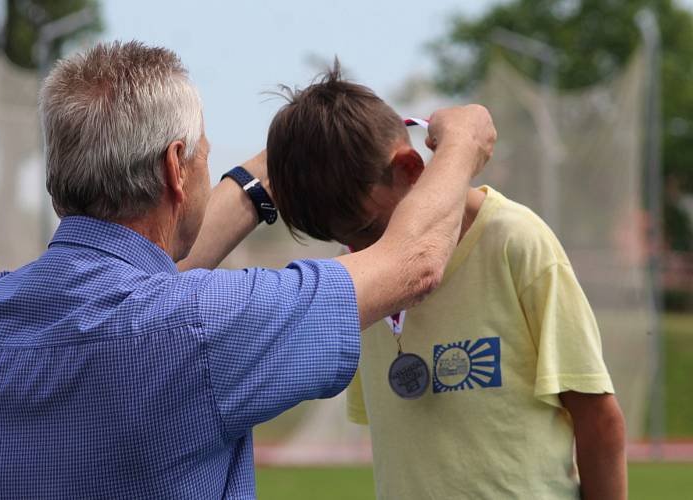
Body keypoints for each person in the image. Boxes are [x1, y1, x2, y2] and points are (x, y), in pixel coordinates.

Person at [0, 41, 496, 499]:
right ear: (175, 169)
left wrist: (289, 158)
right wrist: (463, 145)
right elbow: (415, 262)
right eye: (203, 154)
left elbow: (140, 273)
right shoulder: (202, 326)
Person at [266, 63, 626, 500]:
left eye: (365, 229)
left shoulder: (515, 242)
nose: (359, 255)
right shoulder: (356, 281)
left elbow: (599, 421)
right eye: (341, 242)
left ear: (411, 168)